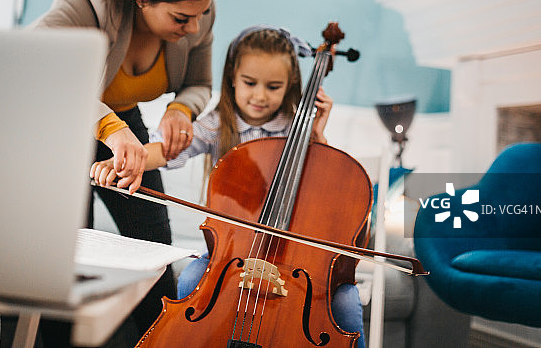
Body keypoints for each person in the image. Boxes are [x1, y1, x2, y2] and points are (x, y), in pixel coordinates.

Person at [92, 26, 365, 340]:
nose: (260, 95)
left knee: (345, 303)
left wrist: (316, 137)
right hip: (231, 256)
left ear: (289, 85)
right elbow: (165, 152)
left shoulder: (297, 130)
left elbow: (329, 195)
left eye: (273, 87)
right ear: (233, 77)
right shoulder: (218, 125)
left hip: (294, 261)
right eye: (250, 83)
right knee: (192, 279)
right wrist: (126, 160)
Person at [30, 0, 218, 340]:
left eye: (202, 14)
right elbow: (37, 63)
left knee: (153, 241)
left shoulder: (196, 16)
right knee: (67, 256)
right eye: (182, 18)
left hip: (119, 122)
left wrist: (181, 109)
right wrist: (112, 128)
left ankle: (162, 341)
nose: (194, 27)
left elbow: (200, 82)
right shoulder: (84, 0)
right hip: (63, 124)